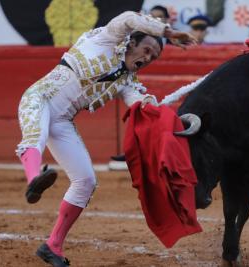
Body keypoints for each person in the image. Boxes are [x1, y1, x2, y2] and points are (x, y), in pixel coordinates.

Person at [16, 11, 196, 267]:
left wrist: (154, 108)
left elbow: (138, 102)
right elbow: (128, 17)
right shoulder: (107, 39)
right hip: (39, 98)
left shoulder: (126, 82)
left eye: (153, 58)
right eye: (146, 50)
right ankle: (34, 179)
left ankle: (53, 246)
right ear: (131, 43)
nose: (147, 58)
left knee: (86, 180)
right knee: (36, 134)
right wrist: (167, 32)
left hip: (62, 121)